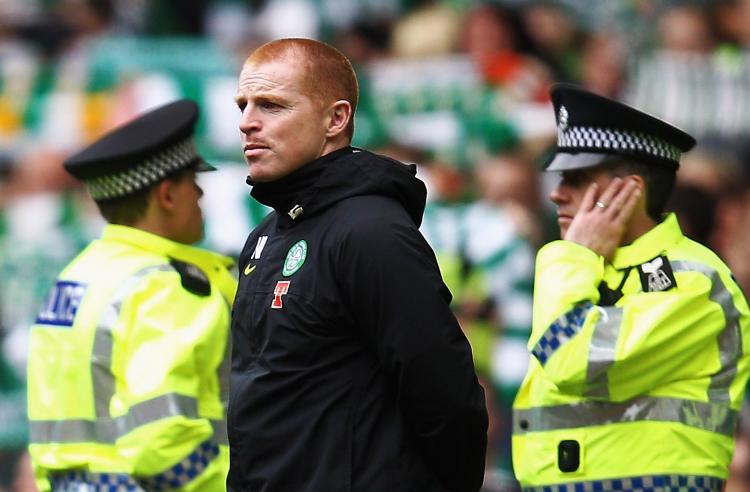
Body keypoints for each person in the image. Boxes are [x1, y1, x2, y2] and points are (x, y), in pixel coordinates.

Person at [229, 38, 488, 492]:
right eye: (243, 105)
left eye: (271, 105)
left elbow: (445, 393)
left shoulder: (371, 233)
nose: (248, 122)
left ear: (336, 118)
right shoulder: (266, 236)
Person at [512, 84, 750, 490]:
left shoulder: (695, 280)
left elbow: (572, 364)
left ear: (631, 191)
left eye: (576, 177)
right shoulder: (587, 269)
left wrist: (569, 257)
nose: (555, 193)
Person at [26, 99, 236, 491]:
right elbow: (160, 441)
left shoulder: (78, 276)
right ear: (168, 196)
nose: (202, 197)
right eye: (195, 183)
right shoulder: (165, 286)